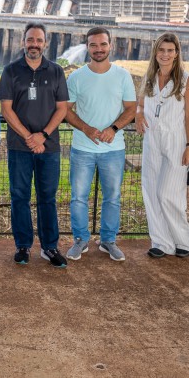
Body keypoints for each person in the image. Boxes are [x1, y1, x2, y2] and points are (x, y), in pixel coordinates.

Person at [0, 23, 69, 267]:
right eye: (30, 40)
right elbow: (6, 109)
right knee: (20, 196)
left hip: (48, 148)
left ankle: (49, 247)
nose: (34, 44)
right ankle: (23, 246)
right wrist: (29, 137)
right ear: (23, 42)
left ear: (45, 43)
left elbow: (62, 108)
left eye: (39, 40)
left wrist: (43, 135)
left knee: (47, 197)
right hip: (19, 147)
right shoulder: (10, 71)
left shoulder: (56, 71)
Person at [64, 27, 137, 262]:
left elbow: (131, 109)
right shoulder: (75, 77)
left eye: (102, 44)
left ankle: (108, 240)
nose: (98, 49)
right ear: (87, 47)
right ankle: (80, 240)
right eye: (93, 45)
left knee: (112, 197)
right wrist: (86, 128)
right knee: (78, 197)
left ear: (110, 45)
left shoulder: (122, 75)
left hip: (113, 150)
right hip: (82, 148)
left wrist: (113, 129)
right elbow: (66, 110)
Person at [136, 32, 189, 258]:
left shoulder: (187, 80)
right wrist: (139, 114)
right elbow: (141, 104)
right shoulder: (150, 77)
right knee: (151, 191)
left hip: (176, 141)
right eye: (161, 50)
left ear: (176, 53)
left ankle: (183, 240)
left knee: (168, 193)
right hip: (152, 140)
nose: (165, 54)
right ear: (156, 52)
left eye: (170, 50)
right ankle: (161, 243)